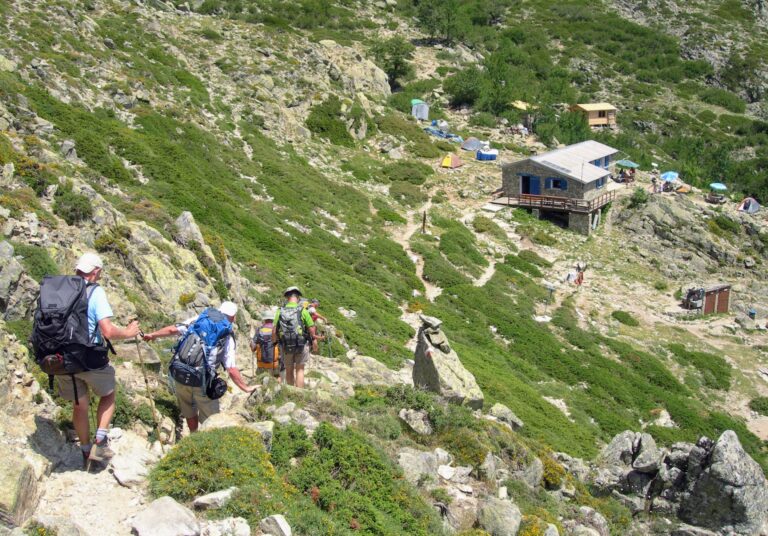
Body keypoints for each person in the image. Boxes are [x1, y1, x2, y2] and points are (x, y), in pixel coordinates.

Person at [60, 253, 141, 468]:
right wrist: (129, 332)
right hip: (89, 356)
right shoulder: (95, 292)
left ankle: (85, 452)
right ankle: (100, 439)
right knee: (108, 394)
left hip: (62, 358)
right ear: (96, 271)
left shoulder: (62, 289)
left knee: (79, 405)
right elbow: (108, 331)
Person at [142, 301, 255, 432]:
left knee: (188, 410)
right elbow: (231, 368)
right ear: (233, 317)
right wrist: (245, 388)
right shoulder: (226, 333)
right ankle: (205, 444)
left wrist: (152, 335)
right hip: (202, 381)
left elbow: (173, 329)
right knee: (211, 420)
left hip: (180, 372)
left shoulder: (200, 319)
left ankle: (193, 436)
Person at [273, 287, 318, 388]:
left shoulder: (280, 311)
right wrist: (314, 341)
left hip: (285, 345)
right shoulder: (302, 310)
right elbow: (311, 327)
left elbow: (274, 329)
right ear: (297, 298)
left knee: (289, 370)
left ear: (287, 298)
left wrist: (274, 342)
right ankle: (299, 394)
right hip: (301, 344)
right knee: (300, 369)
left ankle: (291, 394)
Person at [251, 309, 283, 382]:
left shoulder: (259, 330)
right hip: (274, 362)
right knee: (277, 377)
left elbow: (253, 348)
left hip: (261, 363)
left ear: (264, 319)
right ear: (273, 319)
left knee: (260, 379)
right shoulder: (276, 331)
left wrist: (251, 341)